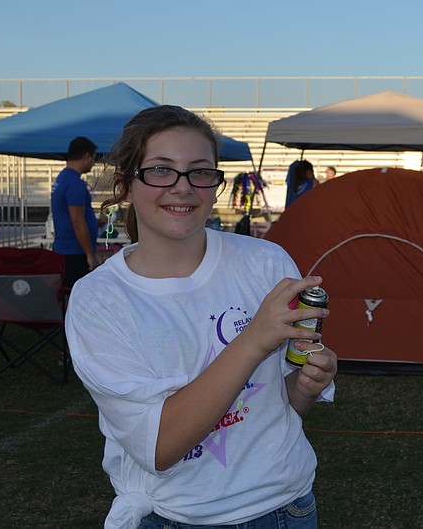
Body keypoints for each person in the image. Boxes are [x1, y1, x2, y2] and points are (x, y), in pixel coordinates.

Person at [65, 105, 337, 529]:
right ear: (125, 184)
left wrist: (306, 384)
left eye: (200, 171)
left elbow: (279, 410)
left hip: (287, 507)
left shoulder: (266, 263)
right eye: (160, 170)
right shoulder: (100, 299)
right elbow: (161, 447)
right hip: (177, 516)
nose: (182, 187)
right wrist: (252, 340)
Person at [51, 136, 99, 287]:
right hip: (75, 251)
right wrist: (89, 254)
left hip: (67, 249)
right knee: (77, 295)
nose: (93, 163)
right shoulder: (74, 183)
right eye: (93, 158)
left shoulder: (63, 177)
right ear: (86, 156)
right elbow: (77, 221)